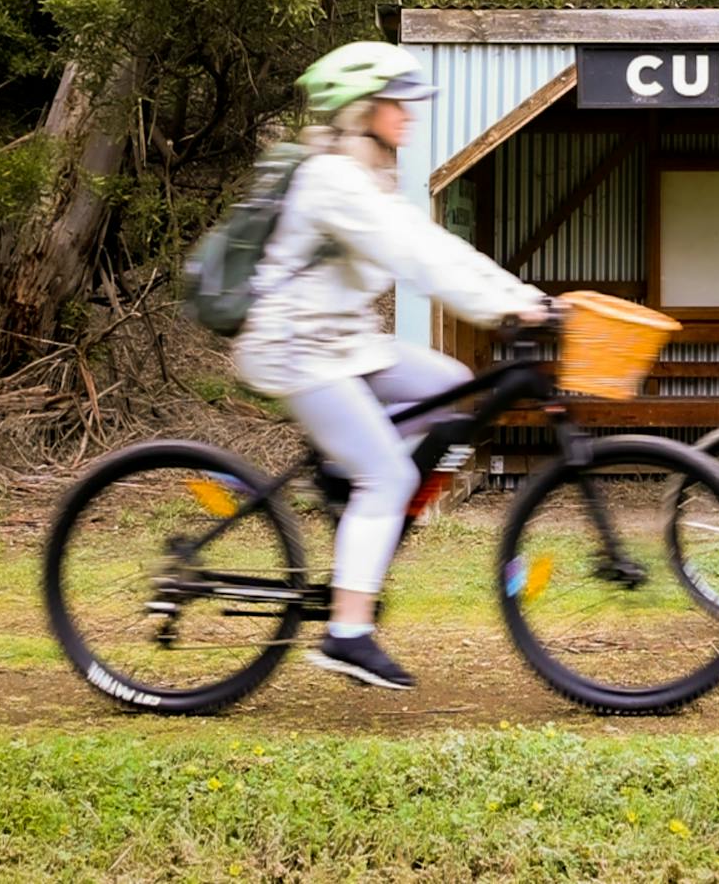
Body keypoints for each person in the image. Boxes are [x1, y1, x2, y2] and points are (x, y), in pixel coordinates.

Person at [233, 41, 548, 690]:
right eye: (396, 102)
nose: (409, 114)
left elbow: (434, 243)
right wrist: (510, 308)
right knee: (387, 477)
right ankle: (347, 633)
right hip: (298, 349)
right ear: (361, 109)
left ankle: (355, 492)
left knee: (453, 387)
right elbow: (416, 260)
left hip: (347, 342)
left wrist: (520, 298)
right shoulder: (333, 181)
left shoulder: (369, 173)